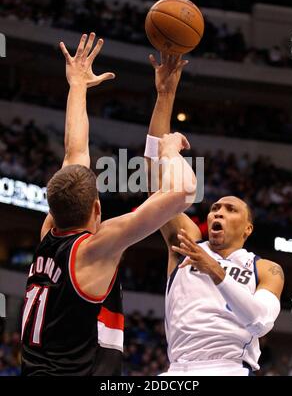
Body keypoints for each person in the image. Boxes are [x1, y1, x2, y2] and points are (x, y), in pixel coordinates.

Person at [20, 34, 197, 376]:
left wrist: (78, 86)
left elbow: (74, 154)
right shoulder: (96, 247)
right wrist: (170, 150)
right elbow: (184, 190)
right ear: (97, 211)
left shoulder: (48, 233)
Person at [144, 52, 285, 376]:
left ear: (247, 228)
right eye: (215, 207)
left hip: (228, 369)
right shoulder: (187, 244)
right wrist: (165, 95)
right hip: (176, 370)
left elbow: (261, 321)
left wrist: (215, 271)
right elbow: (154, 185)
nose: (217, 212)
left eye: (230, 209)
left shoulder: (266, 269)